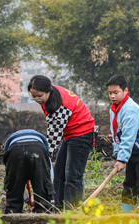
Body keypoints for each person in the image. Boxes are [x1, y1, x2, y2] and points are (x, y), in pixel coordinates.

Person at [28, 75, 96, 209]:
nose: (36, 99)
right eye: (33, 96)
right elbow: (52, 128)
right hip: (69, 134)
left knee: (73, 176)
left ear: (48, 91)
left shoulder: (61, 107)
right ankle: (58, 208)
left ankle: (72, 211)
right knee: (58, 173)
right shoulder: (50, 97)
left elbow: (53, 140)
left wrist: (42, 157)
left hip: (82, 133)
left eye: (39, 96)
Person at [107, 75, 139, 212]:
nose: (113, 96)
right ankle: (126, 211)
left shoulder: (130, 109)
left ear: (125, 90)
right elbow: (115, 132)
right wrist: (118, 153)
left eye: (116, 92)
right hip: (131, 152)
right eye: (110, 93)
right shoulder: (114, 109)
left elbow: (129, 137)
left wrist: (122, 159)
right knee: (129, 183)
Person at [3, 129, 55, 214]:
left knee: (14, 190)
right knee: (43, 192)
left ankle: (12, 215)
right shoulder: (44, 147)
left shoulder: (8, 148)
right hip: (38, 148)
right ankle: (43, 215)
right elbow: (49, 177)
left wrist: (27, 200)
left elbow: (14, 183)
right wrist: (48, 188)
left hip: (15, 149)